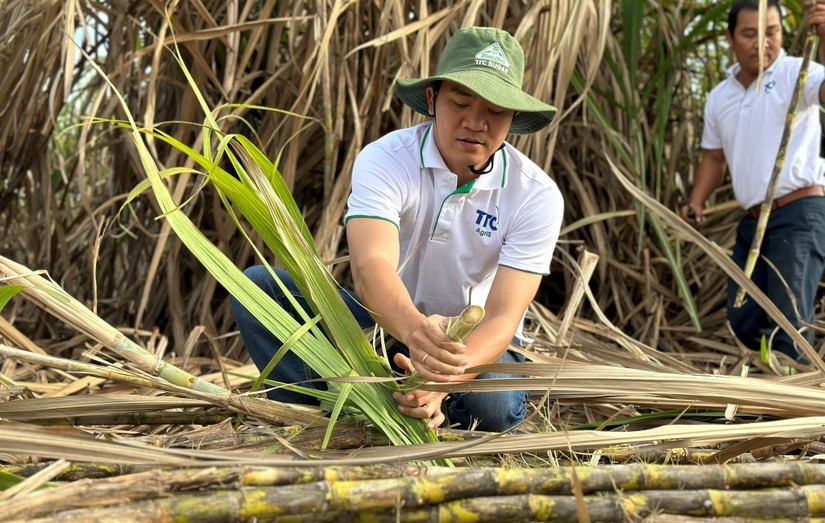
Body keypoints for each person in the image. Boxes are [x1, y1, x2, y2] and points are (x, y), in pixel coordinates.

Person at [231, 26, 563, 432]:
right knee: (259, 289)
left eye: (495, 112)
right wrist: (415, 329)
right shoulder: (387, 159)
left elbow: (501, 318)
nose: (476, 123)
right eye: (460, 102)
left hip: (468, 349)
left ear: (512, 119)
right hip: (384, 325)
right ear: (431, 99)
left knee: (496, 405)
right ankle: (318, 412)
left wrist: (441, 380)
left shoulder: (535, 194)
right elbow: (371, 267)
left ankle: (421, 408)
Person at [680, 0, 825, 360]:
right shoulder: (720, 96)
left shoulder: (797, 71)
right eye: (749, 34)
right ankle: (766, 389)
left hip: (798, 214)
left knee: (787, 323)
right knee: (744, 317)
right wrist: (696, 202)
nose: (762, 43)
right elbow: (715, 157)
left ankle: (794, 401)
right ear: (730, 38)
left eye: (771, 33)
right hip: (753, 222)